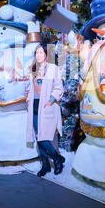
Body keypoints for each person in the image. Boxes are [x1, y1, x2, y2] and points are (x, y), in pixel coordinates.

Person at [26, 43, 65, 177]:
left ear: (46, 54)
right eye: (37, 53)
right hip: (34, 107)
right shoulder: (33, 68)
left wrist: (50, 100)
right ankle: (46, 165)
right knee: (38, 136)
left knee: (43, 137)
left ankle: (56, 158)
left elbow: (59, 87)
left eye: (41, 52)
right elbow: (30, 87)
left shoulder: (53, 68)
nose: (38, 55)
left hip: (47, 106)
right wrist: (28, 98)